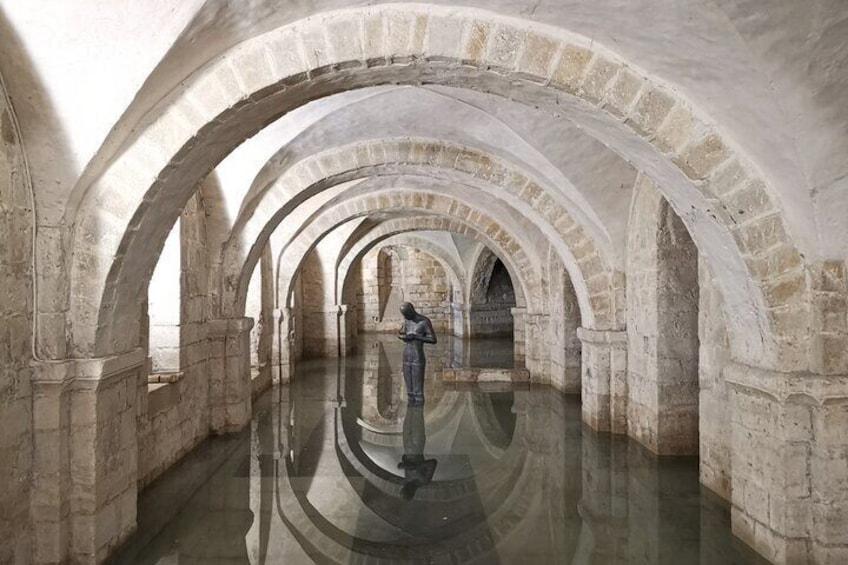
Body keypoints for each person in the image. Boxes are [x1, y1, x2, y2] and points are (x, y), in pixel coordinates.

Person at [397, 302, 437, 405]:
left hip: (417, 356)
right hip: (406, 355)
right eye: (404, 315)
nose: (406, 317)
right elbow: (404, 332)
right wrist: (402, 335)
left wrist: (416, 337)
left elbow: (433, 339)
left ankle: (418, 417)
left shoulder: (424, 321)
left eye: (407, 314)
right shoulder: (406, 320)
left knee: (418, 392)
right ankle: (410, 416)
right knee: (409, 391)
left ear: (412, 311)